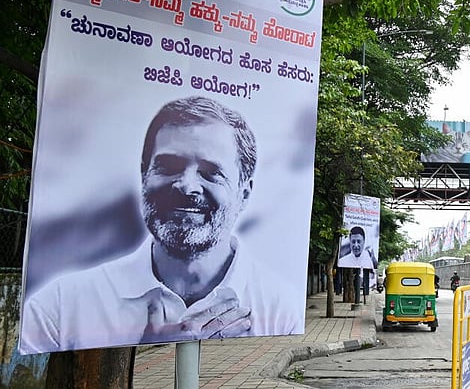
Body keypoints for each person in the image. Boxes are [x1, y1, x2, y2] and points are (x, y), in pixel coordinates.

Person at [20, 96, 303, 354]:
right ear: (144, 175)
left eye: (210, 173)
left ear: (244, 193)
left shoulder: (281, 309)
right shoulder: (58, 308)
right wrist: (143, 351)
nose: (187, 186)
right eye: (168, 167)